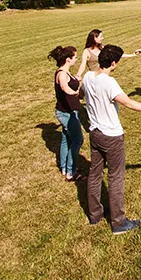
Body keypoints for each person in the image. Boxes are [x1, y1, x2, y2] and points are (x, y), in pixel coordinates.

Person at [81, 44, 141, 233]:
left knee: (95, 173)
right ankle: (118, 222)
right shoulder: (109, 82)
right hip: (111, 136)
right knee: (115, 178)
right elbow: (129, 103)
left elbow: (82, 93)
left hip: (95, 133)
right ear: (113, 63)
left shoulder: (88, 76)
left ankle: (95, 214)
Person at [48, 45, 83, 182]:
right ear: (68, 59)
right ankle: (71, 172)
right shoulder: (62, 74)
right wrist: (74, 92)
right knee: (77, 140)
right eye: (75, 57)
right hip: (67, 113)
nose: (76, 59)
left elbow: (69, 83)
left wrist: (77, 80)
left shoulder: (66, 71)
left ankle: (64, 167)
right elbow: (64, 86)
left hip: (67, 111)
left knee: (66, 140)